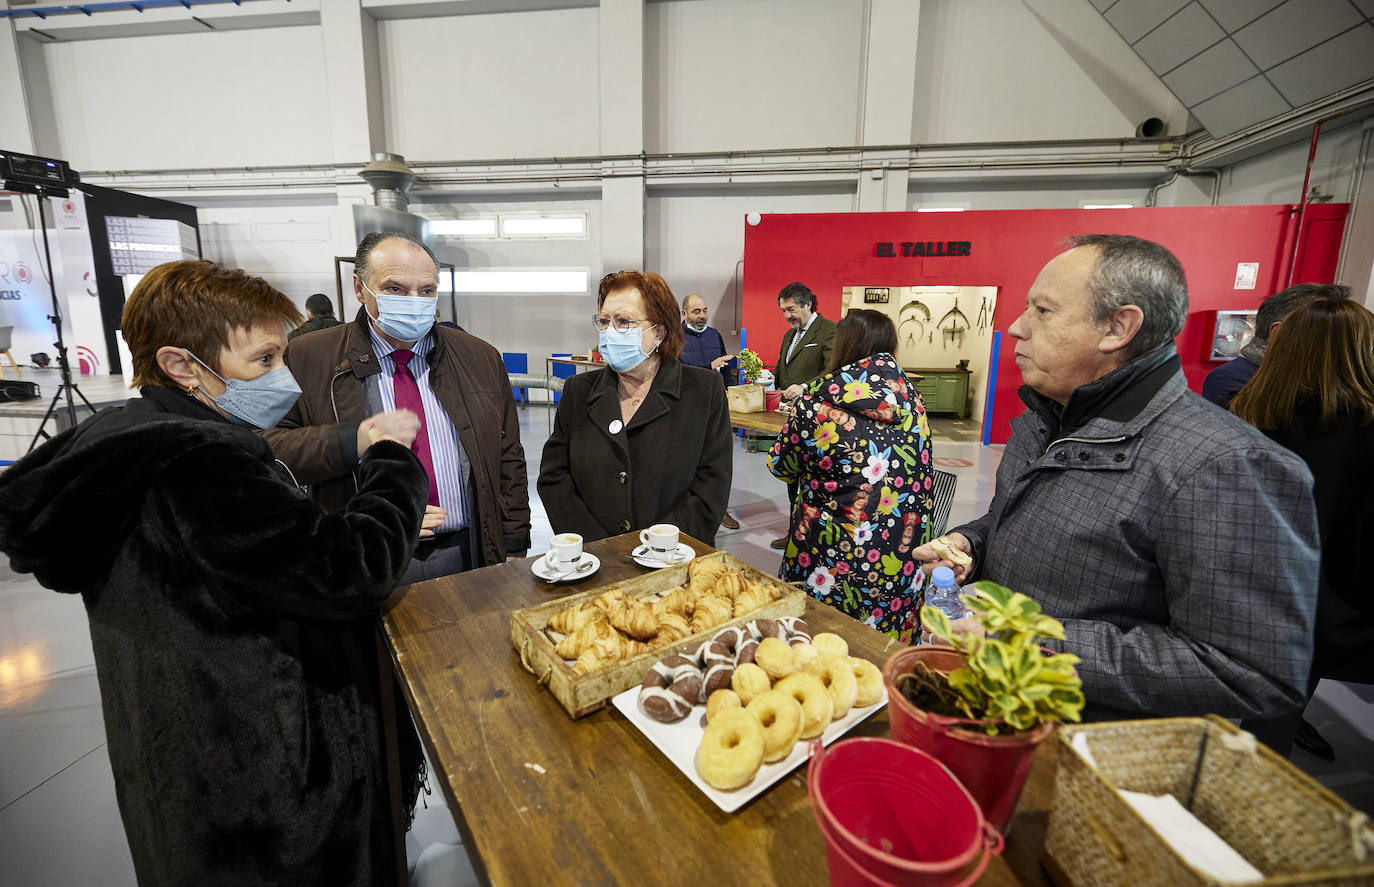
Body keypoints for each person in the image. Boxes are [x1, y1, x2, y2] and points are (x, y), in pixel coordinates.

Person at [0, 260, 429, 885]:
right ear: (181, 366)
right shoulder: (196, 465)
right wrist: (392, 461)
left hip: (187, 763)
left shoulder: (127, 446)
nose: (281, 378)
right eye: (261, 361)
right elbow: (351, 569)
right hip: (263, 787)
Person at [916, 234, 1320, 724]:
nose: (1017, 327)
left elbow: (1246, 671)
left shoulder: (1224, 463)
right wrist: (973, 544)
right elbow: (1022, 518)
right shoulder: (1046, 420)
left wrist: (1020, 641)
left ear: (1117, 327)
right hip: (1002, 716)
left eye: (1042, 310)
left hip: (1093, 747)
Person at [264, 232, 531, 583]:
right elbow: (271, 450)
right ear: (360, 289)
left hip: (469, 551)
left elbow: (508, 454)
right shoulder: (308, 357)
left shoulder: (479, 357)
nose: (414, 301)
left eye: (426, 290)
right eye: (395, 289)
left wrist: (512, 541)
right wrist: (351, 441)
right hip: (366, 557)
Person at [1230, 293, 1374, 759]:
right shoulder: (1364, 430)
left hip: (1249, 592)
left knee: (1265, 728)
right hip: (1335, 599)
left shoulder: (1244, 417)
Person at [769, 309, 933, 644]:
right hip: (901, 561)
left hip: (829, 560)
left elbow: (781, 465)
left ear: (844, 346)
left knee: (819, 647)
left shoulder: (815, 403)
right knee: (880, 656)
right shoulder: (913, 402)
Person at [539, 270, 732, 545]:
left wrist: (657, 549)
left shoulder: (703, 391)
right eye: (604, 321)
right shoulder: (578, 392)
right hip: (595, 562)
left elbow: (712, 486)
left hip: (673, 564)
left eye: (624, 322)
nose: (610, 332)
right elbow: (554, 478)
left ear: (659, 332)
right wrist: (602, 549)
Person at [770, 281, 838, 549]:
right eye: (784, 311)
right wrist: (769, 380)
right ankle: (794, 533)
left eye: (792, 309)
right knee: (792, 475)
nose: (788, 316)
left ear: (808, 304)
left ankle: (810, 536)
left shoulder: (829, 330)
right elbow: (783, 371)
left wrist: (807, 387)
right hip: (791, 418)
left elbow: (834, 370)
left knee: (814, 481)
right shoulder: (790, 334)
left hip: (818, 419)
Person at [1202, 283, 1344, 407]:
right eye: (1323, 330)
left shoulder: (1334, 376)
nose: (1336, 341)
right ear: (1277, 333)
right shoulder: (1231, 379)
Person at [680, 291, 741, 530]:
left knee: (717, 461)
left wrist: (730, 394)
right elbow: (675, 371)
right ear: (684, 313)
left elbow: (723, 369)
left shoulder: (714, 335)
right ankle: (686, 508)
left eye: (705, 310)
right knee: (689, 462)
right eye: (697, 311)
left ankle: (719, 509)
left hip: (715, 408)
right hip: (686, 408)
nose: (703, 315)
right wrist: (708, 366)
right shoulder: (675, 337)